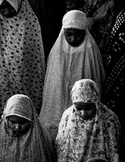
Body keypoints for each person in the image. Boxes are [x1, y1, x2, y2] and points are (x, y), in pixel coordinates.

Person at [54, 78, 124, 162]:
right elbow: (61, 147)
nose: (83, 113)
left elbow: (115, 153)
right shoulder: (67, 116)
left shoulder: (108, 119)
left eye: (88, 108)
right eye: (78, 108)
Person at [40, 10, 104, 138]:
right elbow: (52, 85)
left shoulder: (91, 53)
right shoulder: (56, 52)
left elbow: (97, 81)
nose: (73, 39)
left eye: (78, 35)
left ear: (85, 33)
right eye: (69, 35)